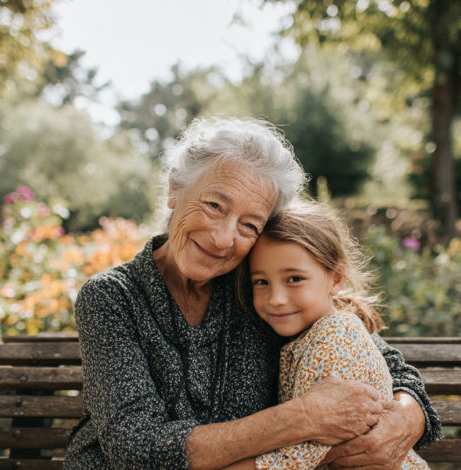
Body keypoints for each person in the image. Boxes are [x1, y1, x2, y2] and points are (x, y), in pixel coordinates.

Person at [64, 117, 441, 470]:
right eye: (215, 206)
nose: (224, 238)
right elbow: (136, 447)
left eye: (249, 225)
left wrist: (408, 418)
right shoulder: (113, 297)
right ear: (175, 189)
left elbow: (383, 359)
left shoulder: (261, 284)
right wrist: (304, 417)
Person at [224, 200, 430, 470]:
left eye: (294, 278)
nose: (275, 299)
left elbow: (307, 450)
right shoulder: (311, 333)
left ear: (335, 279)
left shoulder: (333, 338)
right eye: (261, 282)